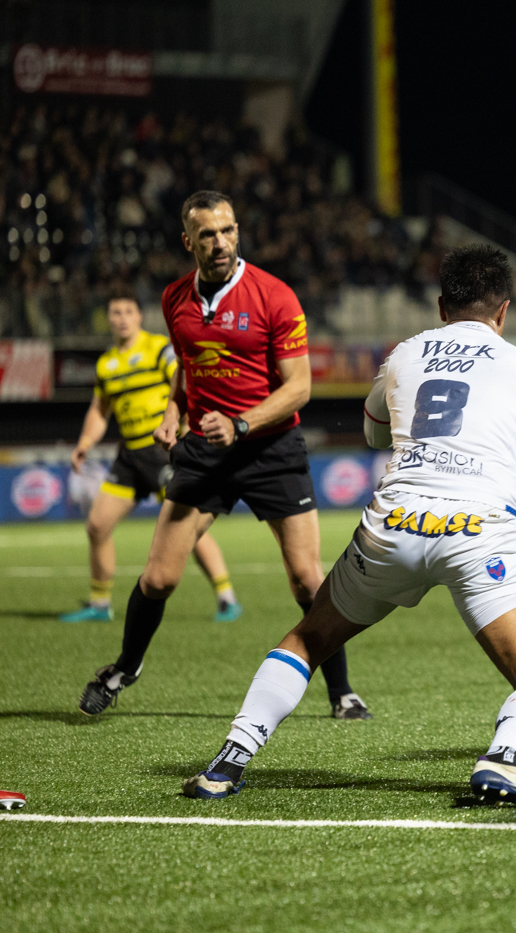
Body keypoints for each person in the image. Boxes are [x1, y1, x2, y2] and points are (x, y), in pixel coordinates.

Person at [183, 245, 516, 808]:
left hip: (394, 525)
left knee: (308, 640)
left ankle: (227, 762)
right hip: (479, 532)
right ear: (503, 311)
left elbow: (377, 432)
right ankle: (503, 761)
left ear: (440, 305)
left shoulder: (405, 354)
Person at [79, 191, 370, 721]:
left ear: (238, 231)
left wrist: (240, 423)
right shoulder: (173, 299)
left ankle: (342, 691)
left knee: (307, 579)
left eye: (228, 230)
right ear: (187, 240)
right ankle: (124, 666)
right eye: (208, 234)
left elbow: (299, 387)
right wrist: (175, 410)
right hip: (206, 453)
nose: (220, 243)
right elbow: (188, 369)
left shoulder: (274, 296)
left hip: (271, 449)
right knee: (159, 577)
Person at [61, 289, 242, 625]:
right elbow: (100, 411)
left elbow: (184, 380)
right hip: (129, 455)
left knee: (188, 528)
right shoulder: (106, 364)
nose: (122, 318)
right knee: (97, 525)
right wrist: (85, 441)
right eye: (115, 313)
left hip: (164, 452)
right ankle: (100, 605)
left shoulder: (158, 348)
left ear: (139, 316)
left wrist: (185, 427)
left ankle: (226, 597)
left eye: (128, 311)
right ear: (109, 319)